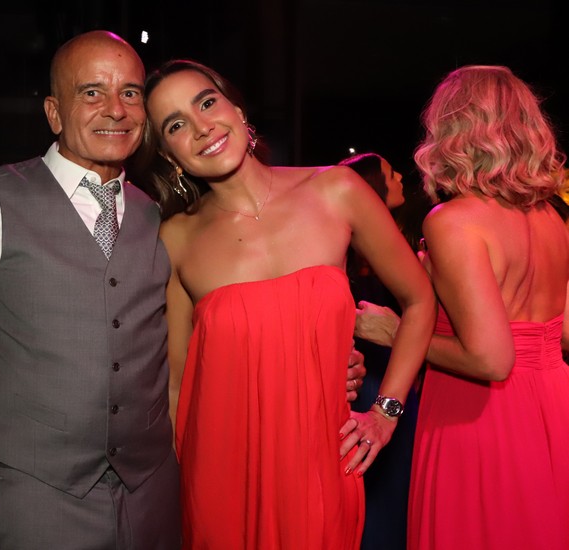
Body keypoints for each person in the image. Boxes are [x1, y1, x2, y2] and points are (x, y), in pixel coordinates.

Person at [140, 59, 435, 549]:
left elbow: (419, 300)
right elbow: (176, 382)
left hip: (321, 462)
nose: (201, 127)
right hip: (219, 476)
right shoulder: (175, 238)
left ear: (237, 110)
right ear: (169, 154)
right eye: (175, 125)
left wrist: (385, 412)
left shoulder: (336, 191)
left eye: (207, 103)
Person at [0, 31, 181, 550]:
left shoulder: (157, 212)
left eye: (129, 92)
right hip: (39, 495)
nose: (116, 109)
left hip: (152, 490)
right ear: (54, 113)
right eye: (92, 92)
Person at [355, 65, 569, 549]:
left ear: (449, 129)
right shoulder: (552, 219)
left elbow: (492, 359)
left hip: (482, 417)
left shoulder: (453, 221)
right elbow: (561, 330)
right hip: (553, 406)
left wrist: (396, 333)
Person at [339, 152, 417, 550]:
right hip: (368, 382)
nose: (400, 175)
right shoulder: (349, 249)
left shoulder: (398, 246)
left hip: (397, 381)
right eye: (390, 172)